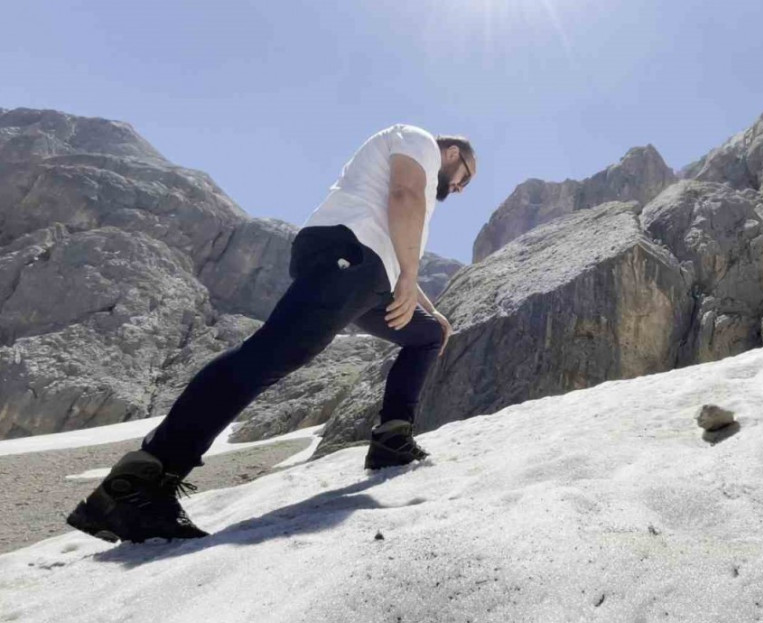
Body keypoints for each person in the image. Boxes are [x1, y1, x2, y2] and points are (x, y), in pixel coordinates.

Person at [66, 124, 476, 543]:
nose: (461, 188)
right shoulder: (419, 140)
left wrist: (431, 309)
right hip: (350, 255)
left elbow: (395, 240)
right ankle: (139, 484)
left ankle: (392, 440)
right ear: (452, 153)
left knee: (426, 335)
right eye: (465, 176)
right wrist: (407, 275)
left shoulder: (416, 176)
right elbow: (402, 197)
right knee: (269, 356)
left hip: (368, 275)